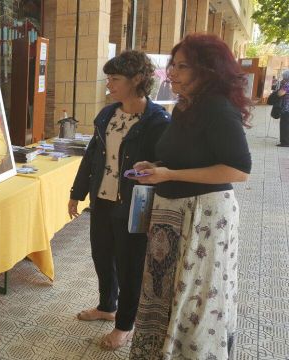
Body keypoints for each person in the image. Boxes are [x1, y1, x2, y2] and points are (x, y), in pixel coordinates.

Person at [128, 34, 251, 359]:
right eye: (173, 65)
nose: (173, 72)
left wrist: (170, 175)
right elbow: (186, 157)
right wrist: (155, 166)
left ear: (208, 70)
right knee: (165, 294)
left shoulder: (217, 108)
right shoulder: (185, 108)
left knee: (196, 299)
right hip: (172, 216)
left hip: (204, 221)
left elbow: (238, 171)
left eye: (184, 66)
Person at [68, 50, 171, 350]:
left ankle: (124, 324)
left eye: (114, 79)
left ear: (137, 79)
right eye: (109, 78)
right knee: (102, 257)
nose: (109, 84)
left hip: (133, 207)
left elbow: (162, 169)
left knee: (129, 266)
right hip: (102, 201)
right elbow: (91, 156)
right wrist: (77, 193)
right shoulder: (107, 115)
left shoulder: (156, 122)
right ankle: (106, 306)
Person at [276, 70, 289, 147]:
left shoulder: (287, 84)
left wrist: (279, 91)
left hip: (286, 109)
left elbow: (280, 94)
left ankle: (285, 142)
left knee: (285, 125)